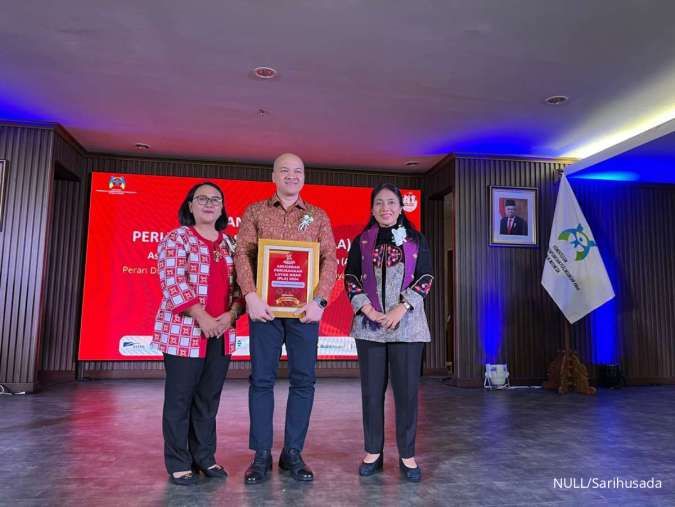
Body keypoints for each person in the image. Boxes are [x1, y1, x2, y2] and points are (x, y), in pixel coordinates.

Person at [234, 153, 337, 484]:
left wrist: (320, 301)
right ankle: (261, 455)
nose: (292, 176)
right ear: (274, 176)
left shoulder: (318, 216)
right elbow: (242, 255)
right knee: (261, 380)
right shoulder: (256, 211)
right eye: (285, 171)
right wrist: (250, 295)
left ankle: (292, 453)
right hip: (264, 311)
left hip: (304, 313)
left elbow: (330, 260)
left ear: (303, 177)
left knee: (304, 381)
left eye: (298, 171)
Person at [152, 182, 244, 486]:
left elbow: (242, 288)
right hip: (184, 334)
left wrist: (230, 315)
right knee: (179, 401)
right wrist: (202, 317)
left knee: (208, 401)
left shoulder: (230, 244)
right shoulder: (176, 239)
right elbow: (173, 282)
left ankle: (205, 457)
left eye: (215, 199)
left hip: (222, 333)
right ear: (190, 205)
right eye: (201, 199)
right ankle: (179, 462)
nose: (209, 203)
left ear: (222, 208)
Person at [344, 183, 433, 482]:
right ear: (372, 209)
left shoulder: (417, 239)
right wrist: (367, 309)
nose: (385, 208)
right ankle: (373, 452)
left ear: (400, 207)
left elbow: (425, 278)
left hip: (407, 327)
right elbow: (351, 277)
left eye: (391, 202)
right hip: (369, 327)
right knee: (371, 393)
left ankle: (407, 455)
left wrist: (401, 308)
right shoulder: (362, 240)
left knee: (407, 394)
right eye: (379, 203)